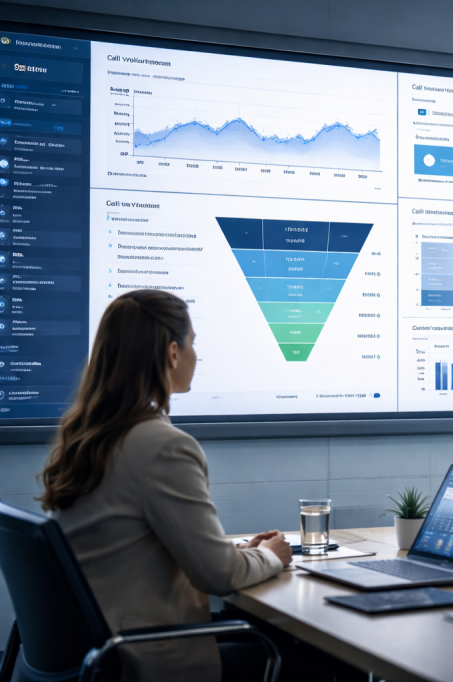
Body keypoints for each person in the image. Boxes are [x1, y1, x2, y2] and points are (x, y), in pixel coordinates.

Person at [37, 291, 346, 681]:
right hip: (150, 658)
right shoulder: (162, 445)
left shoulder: (83, 439)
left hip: (97, 654)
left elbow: (136, 547)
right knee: (327, 665)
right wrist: (270, 555)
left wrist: (231, 553)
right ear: (172, 353)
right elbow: (217, 577)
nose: (196, 355)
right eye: (193, 343)